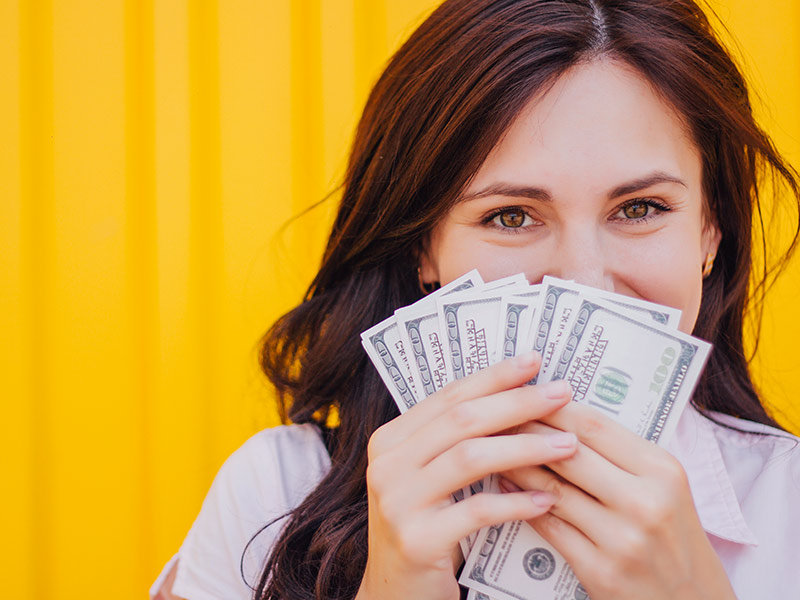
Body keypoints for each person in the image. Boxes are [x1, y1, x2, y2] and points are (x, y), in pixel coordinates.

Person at [151, 1, 800, 598]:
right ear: (422, 246)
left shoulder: (788, 509)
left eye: (639, 208)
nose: (583, 282)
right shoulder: (273, 497)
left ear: (710, 228)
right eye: (512, 216)